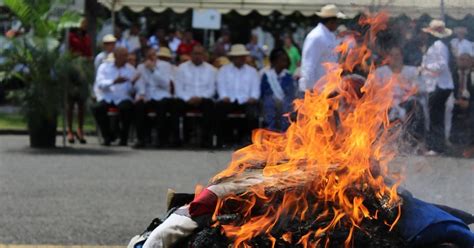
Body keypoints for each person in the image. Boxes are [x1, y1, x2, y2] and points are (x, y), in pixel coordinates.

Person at [375, 46, 427, 145]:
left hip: (407, 102)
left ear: (402, 56)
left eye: (397, 55)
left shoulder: (412, 71)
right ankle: (380, 142)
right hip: (386, 103)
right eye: (392, 55)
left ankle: (415, 142)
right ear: (387, 58)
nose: (395, 58)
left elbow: (421, 88)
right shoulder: (380, 72)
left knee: (415, 107)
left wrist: (408, 89)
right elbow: (374, 90)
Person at [420, 20, 455, 155]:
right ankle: (436, 146)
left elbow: (442, 65)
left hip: (440, 86)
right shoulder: (435, 46)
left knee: (436, 116)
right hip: (437, 86)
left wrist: (425, 67)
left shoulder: (439, 46)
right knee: (435, 116)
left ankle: (437, 147)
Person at [216, 44, 260, 145]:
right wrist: (224, 96)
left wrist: (253, 98)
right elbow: (221, 86)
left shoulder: (252, 72)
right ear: (233, 58)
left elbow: (255, 90)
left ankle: (248, 140)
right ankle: (224, 139)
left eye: (242, 56)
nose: (240, 59)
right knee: (219, 109)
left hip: (246, 101)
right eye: (237, 57)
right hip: (229, 100)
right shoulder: (224, 70)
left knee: (252, 112)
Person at [134, 48, 178, 148]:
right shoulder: (141, 67)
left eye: (153, 55)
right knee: (139, 106)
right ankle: (141, 139)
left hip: (162, 94)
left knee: (162, 106)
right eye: (149, 56)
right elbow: (140, 82)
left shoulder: (165, 66)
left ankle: (161, 139)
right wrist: (141, 94)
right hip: (147, 95)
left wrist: (153, 70)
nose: (151, 58)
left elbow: (165, 84)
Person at [92, 47, 137, 146]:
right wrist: (113, 81)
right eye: (123, 56)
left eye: (126, 55)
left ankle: (123, 138)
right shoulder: (104, 68)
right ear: (116, 56)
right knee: (98, 108)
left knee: (127, 108)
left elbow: (132, 90)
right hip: (108, 96)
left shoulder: (131, 69)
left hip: (123, 97)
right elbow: (100, 84)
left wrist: (133, 83)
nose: (126, 58)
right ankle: (107, 136)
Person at [174, 45, 217, 147]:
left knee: (209, 105)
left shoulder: (211, 69)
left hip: (203, 99)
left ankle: (206, 140)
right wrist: (188, 99)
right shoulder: (182, 68)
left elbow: (212, 89)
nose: (197, 56)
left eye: (200, 54)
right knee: (175, 105)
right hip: (186, 99)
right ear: (191, 55)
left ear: (204, 55)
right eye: (195, 53)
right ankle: (178, 140)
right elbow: (179, 88)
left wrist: (200, 98)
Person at [299, 4, 347, 92]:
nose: (338, 24)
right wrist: (309, 89)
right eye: (337, 21)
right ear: (332, 21)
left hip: (328, 90)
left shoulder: (330, 36)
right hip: (316, 91)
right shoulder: (316, 37)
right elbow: (308, 65)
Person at [67, 18, 93, 144]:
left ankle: (80, 129)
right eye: (82, 22)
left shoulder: (86, 37)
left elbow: (88, 52)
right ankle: (70, 130)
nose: (84, 24)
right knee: (70, 103)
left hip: (83, 71)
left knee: (81, 103)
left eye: (85, 22)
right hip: (72, 70)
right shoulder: (70, 35)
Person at [261, 48, 296, 132]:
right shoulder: (267, 75)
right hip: (271, 101)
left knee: (287, 104)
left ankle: (284, 131)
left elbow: (291, 92)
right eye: (281, 60)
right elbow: (263, 92)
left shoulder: (288, 76)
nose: (284, 62)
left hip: (285, 101)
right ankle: (271, 130)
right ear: (274, 61)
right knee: (269, 102)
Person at [450, 53, 473, 144]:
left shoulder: (472, 74)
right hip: (452, 102)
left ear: (471, 61)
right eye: (461, 59)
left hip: (470, 103)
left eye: (466, 59)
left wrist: (469, 103)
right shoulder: (451, 73)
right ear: (457, 61)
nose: (463, 61)